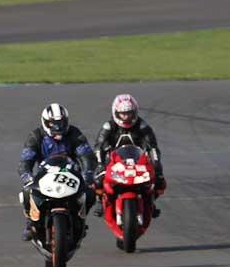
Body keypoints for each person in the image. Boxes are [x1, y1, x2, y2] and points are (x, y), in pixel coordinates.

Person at [18, 103, 97, 241]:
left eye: (61, 123)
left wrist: (88, 173)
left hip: (70, 173)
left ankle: (80, 220)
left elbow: (87, 155)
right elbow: (25, 160)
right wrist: (27, 175)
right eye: (53, 124)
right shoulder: (36, 136)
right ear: (45, 123)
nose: (58, 127)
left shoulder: (74, 134)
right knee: (26, 193)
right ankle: (31, 223)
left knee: (90, 193)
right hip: (44, 175)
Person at [93, 94, 166, 217]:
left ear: (135, 112)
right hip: (114, 160)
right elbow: (98, 147)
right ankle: (100, 200)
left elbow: (153, 147)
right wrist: (100, 164)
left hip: (138, 160)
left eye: (129, 113)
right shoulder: (109, 126)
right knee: (98, 178)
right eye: (122, 114)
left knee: (159, 179)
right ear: (115, 113)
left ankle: (150, 201)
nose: (126, 117)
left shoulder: (142, 126)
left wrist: (156, 164)